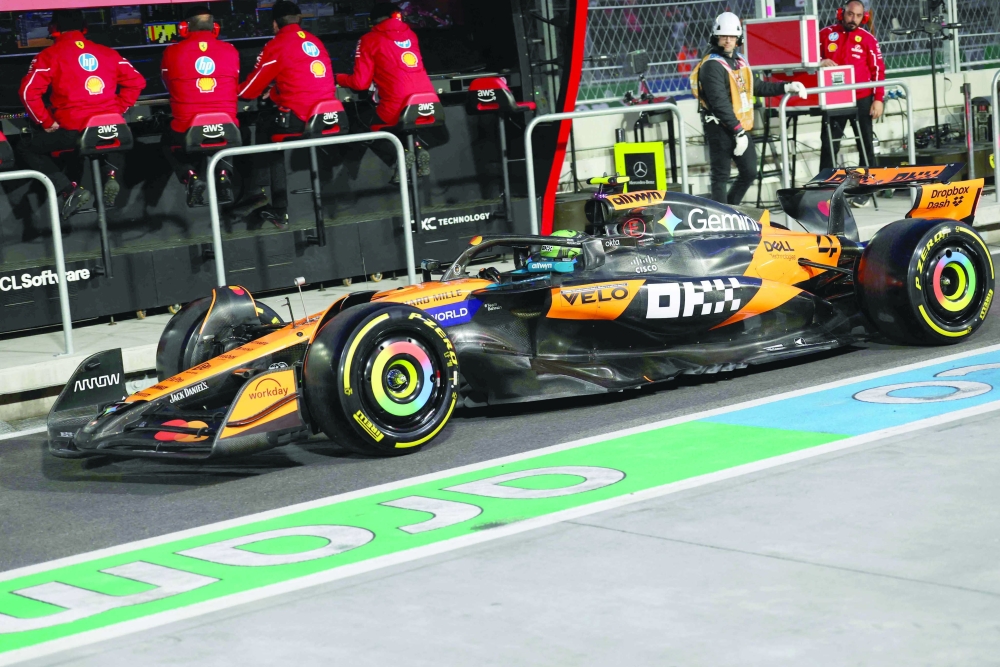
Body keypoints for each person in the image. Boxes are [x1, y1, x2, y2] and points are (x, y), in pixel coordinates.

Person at [17, 9, 145, 220]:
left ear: (54, 29)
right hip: (113, 129)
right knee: (105, 138)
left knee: (26, 147)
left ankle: (69, 190)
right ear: (85, 29)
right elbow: (137, 82)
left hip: (74, 131)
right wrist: (117, 109)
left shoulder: (48, 56)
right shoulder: (107, 52)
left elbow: (27, 93)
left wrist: (45, 121)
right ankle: (110, 174)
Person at [238, 0, 336, 228]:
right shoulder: (316, 41)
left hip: (302, 119)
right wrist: (273, 92)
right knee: (273, 127)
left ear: (274, 23)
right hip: (330, 117)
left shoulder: (277, 44)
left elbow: (247, 92)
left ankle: (261, 195)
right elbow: (303, 81)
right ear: (300, 19)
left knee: (265, 127)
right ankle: (275, 206)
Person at [690, 12, 806, 205]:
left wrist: (786, 86)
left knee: (750, 171)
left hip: (738, 127)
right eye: (723, 36)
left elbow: (755, 86)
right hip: (719, 127)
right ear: (715, 36)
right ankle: (723, 221)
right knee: (720, 176)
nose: (727, 41)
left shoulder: (740, 60)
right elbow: (719, 104)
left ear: (738, 38)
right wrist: (738, 132)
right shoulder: (711, 65)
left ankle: (731, 209)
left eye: (732, 36)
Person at [336, 2, 436, 177]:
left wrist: (338, 78)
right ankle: (418, 148)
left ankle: (399, 156)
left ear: (372, 21)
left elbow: (360, 83)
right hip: (429, 104)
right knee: (406, 124)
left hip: (397, 106)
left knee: (363, 125)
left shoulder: (369, 39)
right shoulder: (411, 34)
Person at [160, 3, 241, 207]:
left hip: (189, 130)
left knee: (166, 140)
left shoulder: (172, 52)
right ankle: (223, 175)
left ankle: (190, 176)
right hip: (227, 129)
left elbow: (168, 84)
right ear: (215, 28)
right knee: (228, 134)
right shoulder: (231, 50)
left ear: (184, 28)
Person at [818, 0, 885, 205]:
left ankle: (864, 191)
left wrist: (878, 99)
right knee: (829, 144)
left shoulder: (868, 39)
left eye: (857, 15)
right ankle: (825, 190)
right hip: (834, 98)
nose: (853, 19)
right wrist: (819, 62)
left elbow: (878, 70)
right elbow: (809, 57)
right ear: (842, 13)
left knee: (865, 144)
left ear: (863, 17)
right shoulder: (825, 34)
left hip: (862, 99)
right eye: (849, 14)